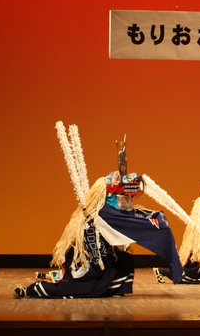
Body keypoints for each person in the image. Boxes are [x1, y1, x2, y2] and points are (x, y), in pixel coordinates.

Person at [14, 125, 187, 298]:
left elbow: (129, 213)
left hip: (104, 255)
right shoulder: (101, 212)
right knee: (78, 285)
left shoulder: (112, 210)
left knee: (124, 260)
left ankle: (113, 288)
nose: (127, 198)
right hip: (91, 258)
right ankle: (34, 289)